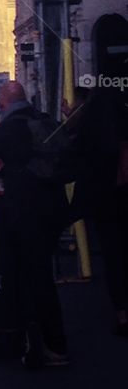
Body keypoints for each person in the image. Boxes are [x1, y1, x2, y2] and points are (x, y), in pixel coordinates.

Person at [0, 80, 70, 368]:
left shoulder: (4, 130)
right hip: (54, 212)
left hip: (22, 215)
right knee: (42, 275)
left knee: (25, 279)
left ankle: (36, 343)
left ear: (3, 104)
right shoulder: (45, 121)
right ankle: (51, 344)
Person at [68, 85, 128, 337]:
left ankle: (123, 315)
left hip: (106, 202)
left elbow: (71, 159)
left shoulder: (92, 133)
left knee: (114, 259)